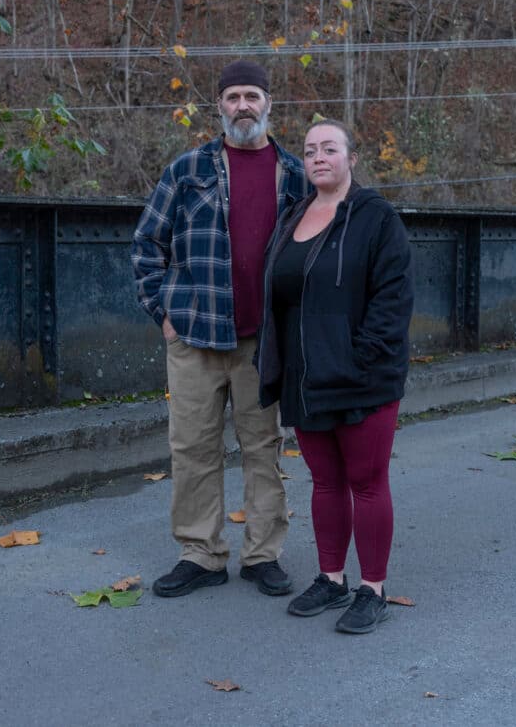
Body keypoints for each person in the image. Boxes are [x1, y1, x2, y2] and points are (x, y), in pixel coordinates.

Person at [131, 60, 309, 598]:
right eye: (233, 97)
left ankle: (263, 555)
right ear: (220, 106)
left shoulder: (295, 174)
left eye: (252, 96)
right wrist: (163, 314)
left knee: (264, 449)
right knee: (192, 449)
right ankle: (201, 554)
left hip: (264, 341)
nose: (243, 106)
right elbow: (147, 243)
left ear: (269, 103)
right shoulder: (187, 169)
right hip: (195, 335)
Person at [257, 118, 414, 634]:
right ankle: (332, 579)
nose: (319, 158)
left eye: (329, 149)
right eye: (310, 151)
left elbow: (393, 299)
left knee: (366, 483)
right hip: (305, 377)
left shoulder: (376, 218)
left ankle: (373, 589)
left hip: (361, 377)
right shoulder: (293, 216)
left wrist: (359, 360)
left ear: (351, 158)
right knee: (325, 482)